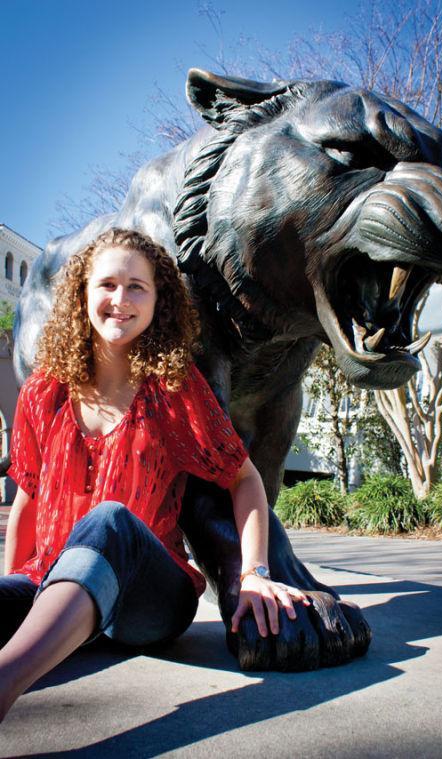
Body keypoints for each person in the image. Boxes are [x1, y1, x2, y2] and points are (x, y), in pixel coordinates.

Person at [0, 228, 308, 722]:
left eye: (137, 287)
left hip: (148, 601)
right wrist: (14, 589)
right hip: (51, 584)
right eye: (107, 285)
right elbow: (29, 500)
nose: (120, 299)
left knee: (110, 521)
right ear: (83, 294)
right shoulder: (43, 392)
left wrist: (255, 573)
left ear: (157, 301)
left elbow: (243, 479)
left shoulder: (173, 389)